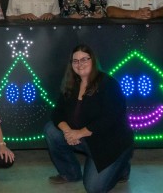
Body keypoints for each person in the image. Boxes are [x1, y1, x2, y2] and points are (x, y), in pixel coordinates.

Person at [44, 44, 134, 193]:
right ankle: (70, 173)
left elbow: (111, 118)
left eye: (84, 59)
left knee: (94, 188)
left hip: (109, 143)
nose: (80, 64)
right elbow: (57, 112)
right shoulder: (71, 84)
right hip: (85, 138)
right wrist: (67, 131)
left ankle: (122, 166)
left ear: (93, 60)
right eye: (75, 61)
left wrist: (80, 133)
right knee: (51, 130)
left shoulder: (108, 84)